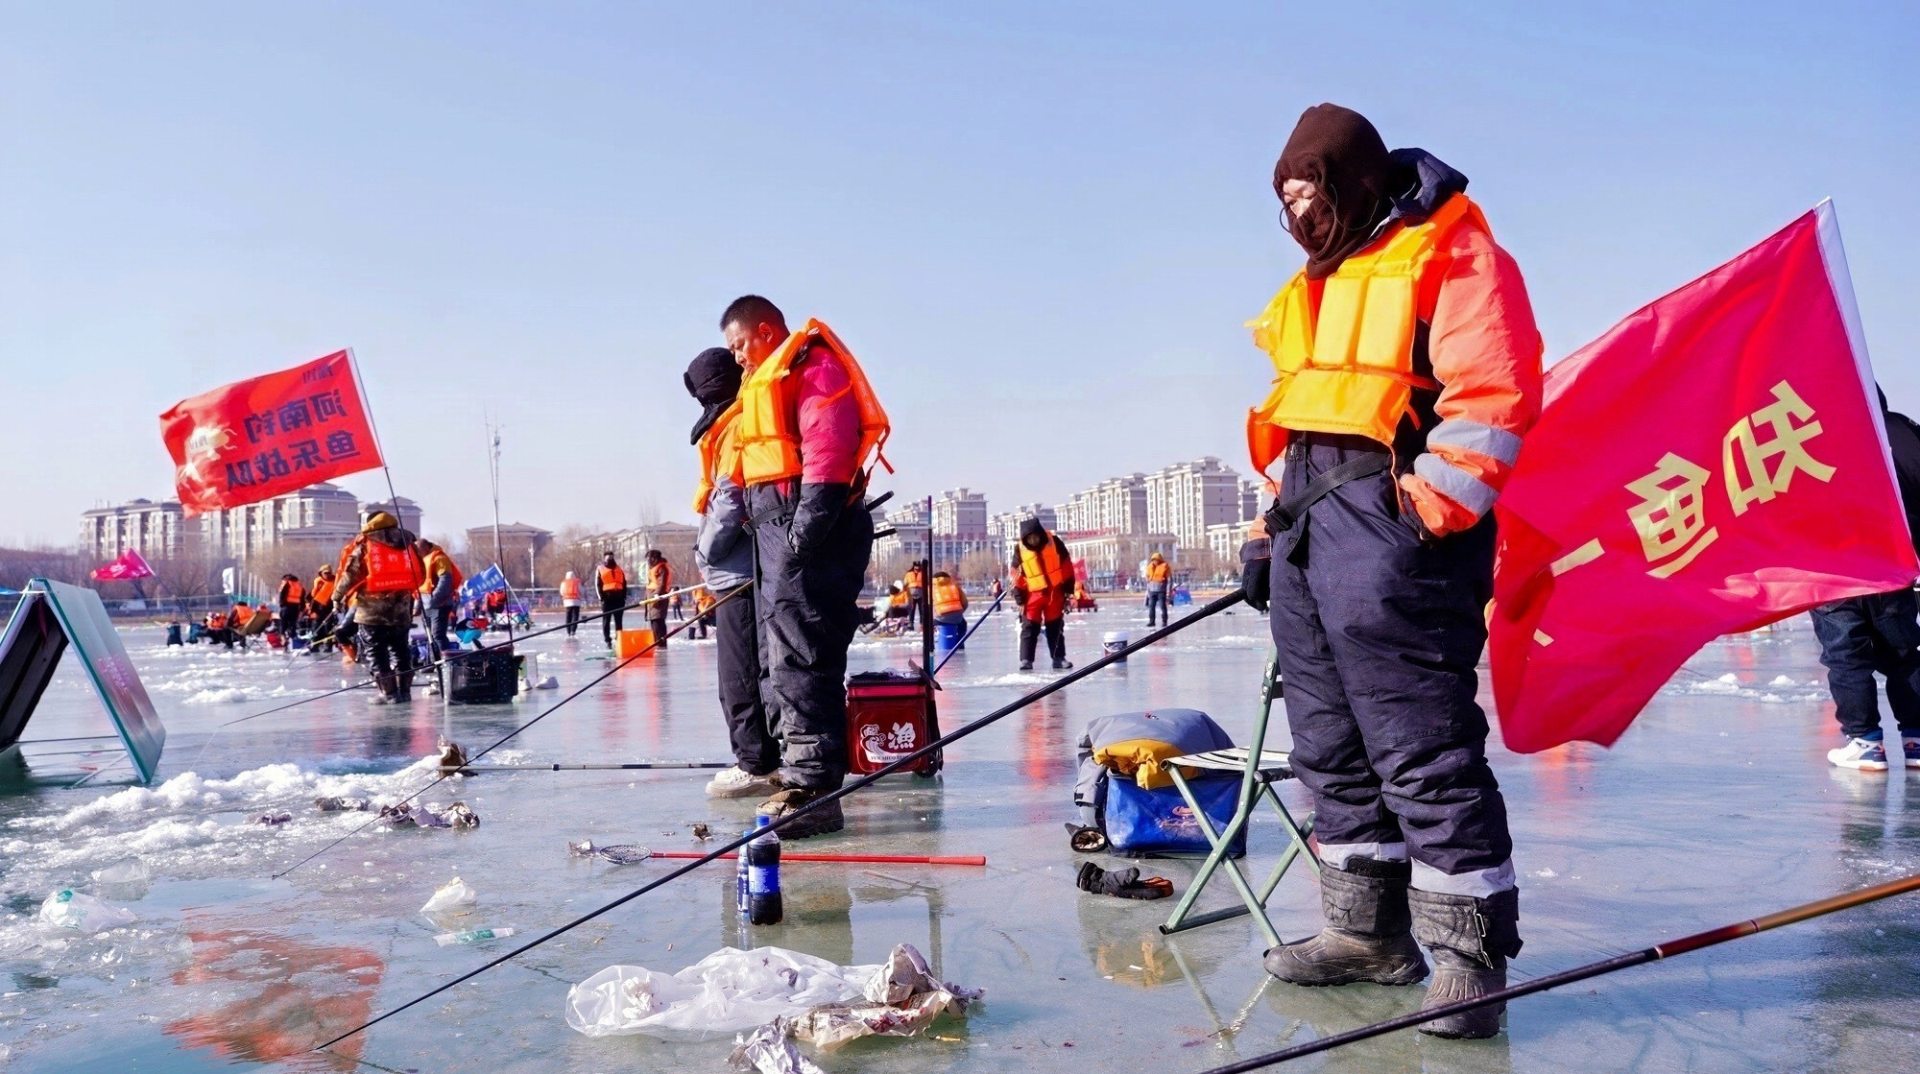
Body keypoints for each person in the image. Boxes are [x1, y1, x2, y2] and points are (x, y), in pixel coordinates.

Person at [1238, 104, 1541, 1039]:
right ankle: (1366, 933)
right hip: (1306, 530)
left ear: (1354, 181)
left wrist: (1425, 513)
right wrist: (1263, 532)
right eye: (1283, 195)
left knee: (1422, 746)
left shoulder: (1449, 251)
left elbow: (1494, 393)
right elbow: (1298, 419)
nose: (1297, 210)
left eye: (1310, 190)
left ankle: (1467, 958)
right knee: (1329, 745)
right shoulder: (1312, 284)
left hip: (1394, 536)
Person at [722, 295, 888, 836]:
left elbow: (829, 449)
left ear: (766, 331)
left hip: (808, 528)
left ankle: (817, 792)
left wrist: (801, 537)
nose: (739, 359)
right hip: (777, 530)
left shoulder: (810, 367)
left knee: (803, 653)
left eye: (741, 345)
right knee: (778, 657)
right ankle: (799, 775)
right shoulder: (762, 380)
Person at [686, 345, 777, 797]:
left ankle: (757, 763)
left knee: (739, 675)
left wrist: (704, 552)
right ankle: (764, 756)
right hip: (743, 571)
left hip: (739, 575)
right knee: (753, 671)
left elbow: (730, 501)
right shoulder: (734, 422)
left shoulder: (737, 426)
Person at [1812, 591, 1920, 770]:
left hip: (1833, 581)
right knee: (1903, 655)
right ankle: (1916, 740)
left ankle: (1866, 744)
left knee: (1847, 659)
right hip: (1887, 580)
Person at [335, 511, 425, 704]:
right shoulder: (407, 543)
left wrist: (337, 596)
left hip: (371, 611)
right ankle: (405, 692)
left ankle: (389, 694)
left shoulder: (364, 545)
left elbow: (350, 574)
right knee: (401, 651)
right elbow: (421, 574)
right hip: (401, 610)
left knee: (377, 653)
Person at [1010, 517, 1075, 671]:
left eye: (1035, 537)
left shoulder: (1055, 542)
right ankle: (1026, 660)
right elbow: (1016, 576)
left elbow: (1066, 566)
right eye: (1029, 538)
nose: (1033, 541)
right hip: (1033, 596)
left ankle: (1058, 658)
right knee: (1029, 629)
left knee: (1055, 628)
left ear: (1040, 534)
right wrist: (1020, 599)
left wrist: (1067, 590)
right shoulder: (1020, 550)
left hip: (1055, 593)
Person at [415, 538, 462, 659]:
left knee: (437, 634)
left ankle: (444, 663)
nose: (417, 553)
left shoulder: (440, 558)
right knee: (430, 636)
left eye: (418, 549)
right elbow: (419, 586)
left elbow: (445, 581)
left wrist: (433, 600)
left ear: (426, 547)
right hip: (426, 604)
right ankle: (433, 662)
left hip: (440, 604)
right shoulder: (421, 561)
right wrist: (418, 605)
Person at [596, 552, 628, 649]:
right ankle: (607, 640)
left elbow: (624, 584)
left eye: (611, 557)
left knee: (619, 621)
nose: (610, 559)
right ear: (604, 559)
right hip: (607, 599)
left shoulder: (619, 569)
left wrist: (624, 597)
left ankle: (619, 639)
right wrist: (601, 598)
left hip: (618, 599)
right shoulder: (600, 569)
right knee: (606, 620)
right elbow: (598, 585)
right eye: (608, 557)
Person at [644, 549, 672, 649]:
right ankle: (656, 642)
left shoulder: (661, 568)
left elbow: (662, 584)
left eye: (649, 558)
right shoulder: (653, 568)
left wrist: (656, 596)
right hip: (651, 597)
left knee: (658, 621)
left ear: (654, 558)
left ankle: (660, 643)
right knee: (653, 621)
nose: (648, 561)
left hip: (658, 598)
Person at [1144, 552, 1172, 627]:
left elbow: (1169, 580)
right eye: (1153, 560)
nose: (1155, 561)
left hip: (1161, 591)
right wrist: (1148, 592)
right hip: (1152, 591)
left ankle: (1164, 621)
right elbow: (1147, 580)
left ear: (1160, 560)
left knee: (1163, 606)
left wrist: (1168, 592)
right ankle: (1152, 621)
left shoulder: (1165, 566)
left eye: (1156, 560)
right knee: (1151, 607)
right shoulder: (1149, 567)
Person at [559, 570, 585, 636]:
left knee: (568, 617)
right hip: (576, 601)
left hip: (567, 602)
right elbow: (581, 591)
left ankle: (568, 630)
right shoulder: (577, 582)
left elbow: (561, 592)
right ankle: (573, 630)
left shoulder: (564, 583)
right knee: (575, 617)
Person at [904, 561, 926, 630]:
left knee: (922, 610)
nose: (917, 568)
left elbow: (926, 584)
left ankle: (922, 624)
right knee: (911, 610)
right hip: (911, 594)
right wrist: (905, 593)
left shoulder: (923, 574)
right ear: (913, 566)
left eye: (918, 566)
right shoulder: (908, 574)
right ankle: (911, 624)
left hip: (921, 594)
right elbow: (905, 584)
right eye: (916, 566)